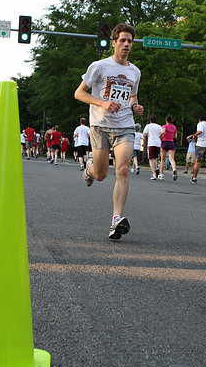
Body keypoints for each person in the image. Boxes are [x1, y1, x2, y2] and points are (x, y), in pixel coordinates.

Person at [74, 22, 144, 239]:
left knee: (123, 170)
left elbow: (132, 96)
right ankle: (89, 169)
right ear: (113, 43)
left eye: (129, 41)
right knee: (101, 174)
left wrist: (135, 106)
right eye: (122, 40)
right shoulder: (99, 66)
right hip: (100, 126)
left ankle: (116, 220)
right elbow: (79, 93)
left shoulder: (135, 72)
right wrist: (102, 103)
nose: (126, 44)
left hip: (125, 126)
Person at [159, 115, 178, 181]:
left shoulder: (164, 126)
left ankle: (161, 174)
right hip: (171, 143)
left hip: (164, 142)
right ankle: (174, 169)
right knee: (171, 158)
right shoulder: (174, 127)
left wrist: (161, 135)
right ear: (172, 120)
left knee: (163, 159)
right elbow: (175, 136)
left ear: (166, 120)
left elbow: (163, 131)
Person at [143, 115, 161, 180]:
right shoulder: (159, 127)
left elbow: (144, 134)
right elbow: (162, 134)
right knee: (155, 158)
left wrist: (144, 140)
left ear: (150, 120)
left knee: (151, 159)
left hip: (151, 143)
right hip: (158, 144)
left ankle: (154, 174)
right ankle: (156, 168)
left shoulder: (148, 126)